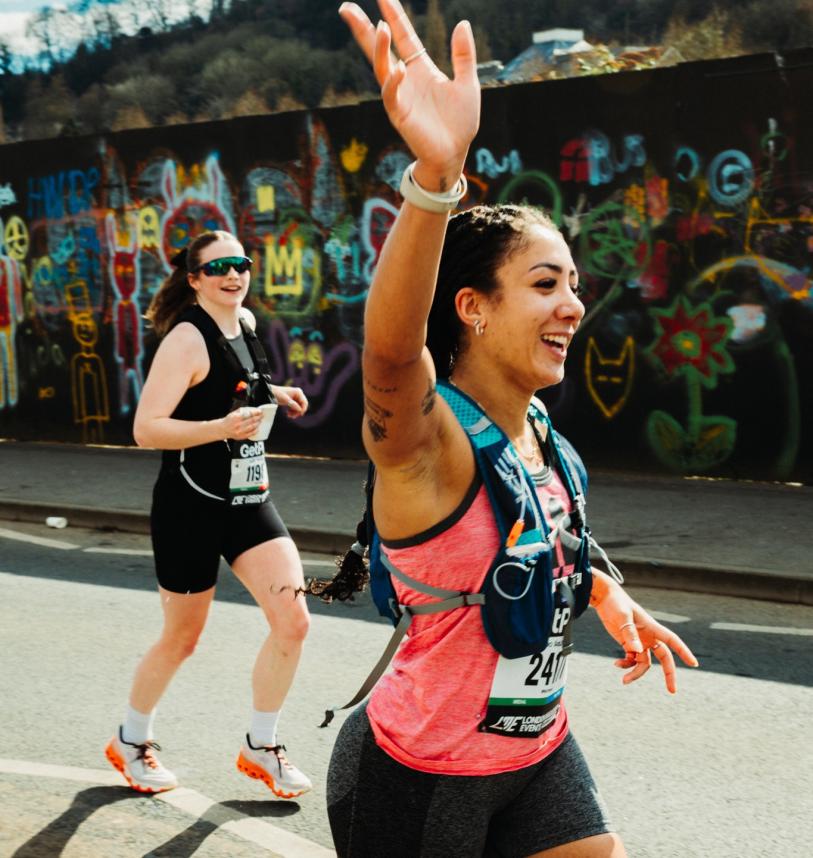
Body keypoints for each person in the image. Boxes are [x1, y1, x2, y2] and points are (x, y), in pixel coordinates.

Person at [326, 2, 699, 856]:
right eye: (543, 284)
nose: (573, 304)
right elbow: (390, 354)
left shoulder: (541, 435)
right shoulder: (426, 444)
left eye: (572, 284)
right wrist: (436, 178)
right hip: (418, 777)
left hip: (537, 756)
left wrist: (608, 594)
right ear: (473, 308)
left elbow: (546, 545)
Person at [105, 229, 313, 799]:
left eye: (240, 263)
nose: (233, 274)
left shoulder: (244, 324)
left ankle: (261, 746)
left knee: (293, 621)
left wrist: (277, 393)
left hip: (248, 499)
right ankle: (130, 740)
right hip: (189, 505)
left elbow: (234, 388)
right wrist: (220, 428)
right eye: (218, 267)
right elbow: (147, 429)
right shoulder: (185, 340)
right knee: (182, 639)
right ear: (194, 278)